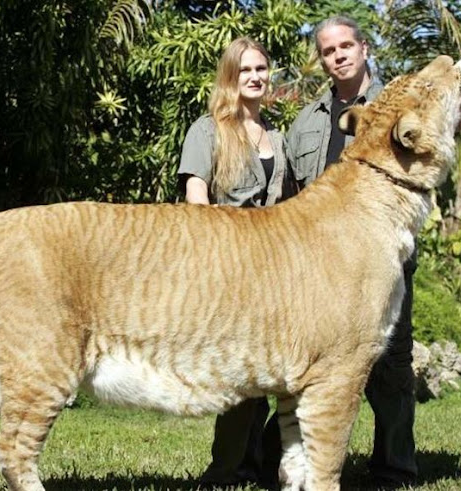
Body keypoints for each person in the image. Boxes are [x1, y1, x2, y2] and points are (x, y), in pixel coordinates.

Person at [287, 16, 461, 488]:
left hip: (381, 255)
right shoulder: (306, 120)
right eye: (328, 50)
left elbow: (459, 120)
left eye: (345, 46)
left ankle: (394, 467)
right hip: (317, 266)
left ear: (364, 48)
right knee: (306, 364)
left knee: (392, 363)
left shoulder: (398, 97)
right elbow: (292, 189)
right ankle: (291, 464)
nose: (337, 55)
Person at [177, 37, 294, 488]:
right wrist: (214, 261)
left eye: (261, 69)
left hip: (274, 267)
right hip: (227, 264)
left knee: (274, 372)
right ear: (230, 76)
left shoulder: (276, 137)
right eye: (245, 70)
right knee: (242, 374)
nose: (255, 77)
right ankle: (225, 470)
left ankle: (260, 462)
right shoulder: (207, 130)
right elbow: (196, 196)